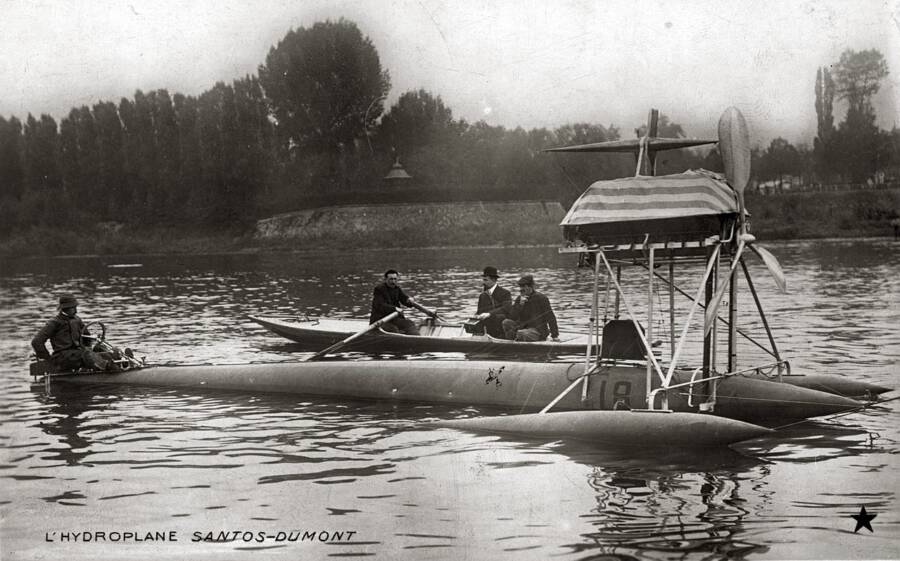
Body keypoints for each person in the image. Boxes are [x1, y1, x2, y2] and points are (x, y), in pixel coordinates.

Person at [31, 294, 122, 372]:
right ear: (65, 309)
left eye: (75, 307)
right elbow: (36, 341)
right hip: (63, 357)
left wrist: (92, 348)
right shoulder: (54, 323)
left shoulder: (77, 319)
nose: (76, 311)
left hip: (78, 354)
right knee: (86, 354)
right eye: (73, 308)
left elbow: (87, 337)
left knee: (99, 348)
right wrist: (48, 359)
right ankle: (110, 368)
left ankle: (116, 358)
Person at [369, 269, 432, 336]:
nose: (393, 281)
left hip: (393, 319)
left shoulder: (397, 288)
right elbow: (380, 305)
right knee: (393, 330)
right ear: (385, 279)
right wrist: (394, 308)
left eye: (395, 279)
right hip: (380, 320)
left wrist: (409, 300)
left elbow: (404, 299)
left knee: (409, 323)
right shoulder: (379, 289)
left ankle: (418, 340)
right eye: (391, 279)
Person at [502, 275, 560, 342]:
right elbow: (512, 317)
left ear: (530, 287)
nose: (521, 289)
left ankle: (518, 339)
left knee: (521, 333)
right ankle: (511, 342)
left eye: (524, 287)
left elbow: (550, 317)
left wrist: (555, 335)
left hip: (538, 330)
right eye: (521, 287)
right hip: (523, 327)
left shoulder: (541, 298)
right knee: (506, 322)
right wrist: (520, 305)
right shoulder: (519, 298)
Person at [473, 266, 512, 338]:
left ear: (494, 280)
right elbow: (479, 311)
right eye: (483, 280)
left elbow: (506, 308)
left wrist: (489, 314)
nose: (483, 282)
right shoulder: (482, 295)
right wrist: (475, 316)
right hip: (485, 328)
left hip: (500, 326)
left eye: (486, 280)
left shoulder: (505, 293)